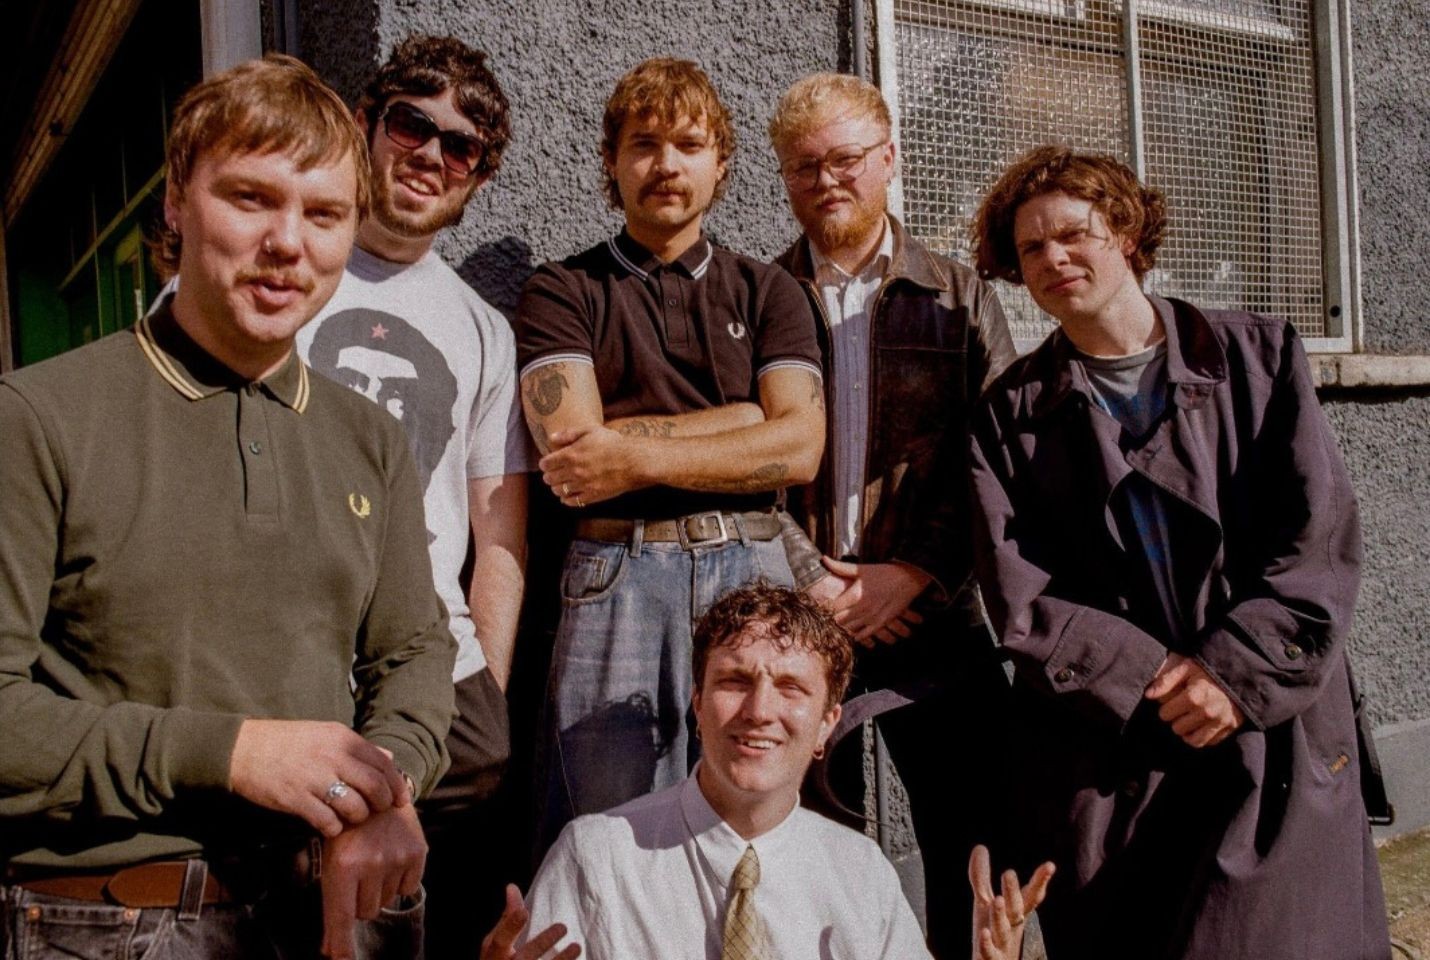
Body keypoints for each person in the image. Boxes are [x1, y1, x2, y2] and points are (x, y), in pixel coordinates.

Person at [0, 55, 456, 960]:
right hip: (110, 919)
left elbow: (415, 649)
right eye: (251, 198)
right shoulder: (38, 418)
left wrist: (381, 789)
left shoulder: (368, 437)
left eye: (323, 214)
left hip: (334, 909)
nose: (289, 242)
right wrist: (229, 752)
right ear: (175, 202)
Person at [967, 145, 1390, 959]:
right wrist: (1153, 678)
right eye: (1031, 248)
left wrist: (1230, 675)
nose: (1054, 257)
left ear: (1124, 232)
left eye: (1074, 234)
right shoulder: (1006, 417)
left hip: (1271, 730)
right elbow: (1019, 590)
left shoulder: (1259, 360)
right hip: (1117, 744)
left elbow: (1318, 540)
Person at [514, 58, 825, 850]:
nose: (665, 164)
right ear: (611, 161)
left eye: (689, 143)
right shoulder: (562, 290)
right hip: (618, 576)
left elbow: (799, 448)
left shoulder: (769, 291)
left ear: (721, 163)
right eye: (643, 143)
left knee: (761, 823)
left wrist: (640, 453)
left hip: (755, 570)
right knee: (604, 838)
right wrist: (746, 419)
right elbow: (579, 456)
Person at [766, 72, 1019, 956]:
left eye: (845, 160)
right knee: (799, 844)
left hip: (938, 615)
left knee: (975, 845)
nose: (826, 181)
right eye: (804, 167)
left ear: (889, 160)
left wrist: (915, 571)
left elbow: (996, 453)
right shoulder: (759, 299)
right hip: (800, 619)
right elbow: (742, 458)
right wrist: (812, 578)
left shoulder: (958, 298)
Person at [294, 35, 530, 954]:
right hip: (289, 670)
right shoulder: (282, 266)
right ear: (365, 124)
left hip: (434, 684)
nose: (431, 153)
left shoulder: (482, 329)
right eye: (411, 124)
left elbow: (498, 530)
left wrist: (489, 689)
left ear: (479, 175)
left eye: (460, 146)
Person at [510, 583, 930, 959]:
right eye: (735, 681)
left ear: (827, 723)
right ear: (698, 703)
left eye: (790, 688)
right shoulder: (597, 858)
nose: (759, 711)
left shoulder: (862, 876)